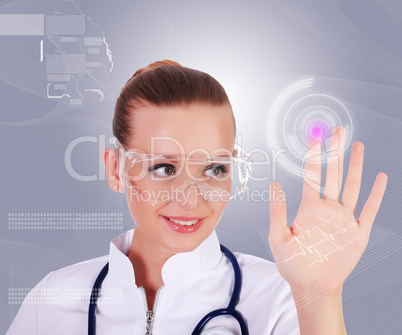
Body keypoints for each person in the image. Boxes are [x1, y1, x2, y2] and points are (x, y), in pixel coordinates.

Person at [7, 60, 388, 335]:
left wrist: (319, 295)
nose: (190, 198)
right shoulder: (53, 299)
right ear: (115, 169)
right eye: (164, 168)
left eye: (214, 169)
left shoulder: (280, 298)